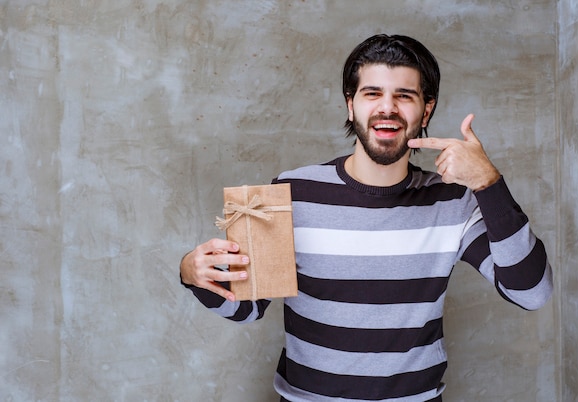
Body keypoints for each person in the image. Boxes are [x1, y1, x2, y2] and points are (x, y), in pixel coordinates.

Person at [180, 34, 553, 402]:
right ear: (350, 105)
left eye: (404, 96)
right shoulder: (293, 192)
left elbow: (532, 292)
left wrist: (488, 182)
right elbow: (247, 308)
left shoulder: (453, 199)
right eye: (372, 93)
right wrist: (192, 273)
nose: (386, 108)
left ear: (426, 110)